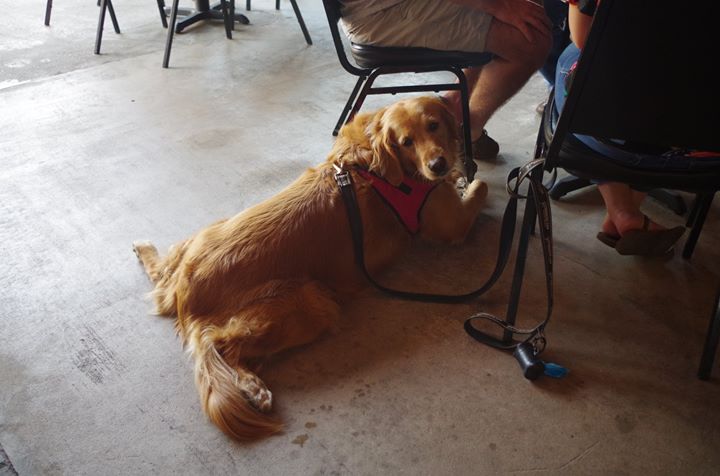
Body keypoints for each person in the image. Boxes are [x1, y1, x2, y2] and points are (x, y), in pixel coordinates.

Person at [339, 0, 553, 161]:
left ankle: (455, 108)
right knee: (531, 38)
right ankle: (464, 135)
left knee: (526, 9)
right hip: (378, 12)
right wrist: (501, 6)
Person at [555, 0, 685, 256]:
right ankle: (624, 221)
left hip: (603, 121)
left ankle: (623, 215)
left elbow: (583, 37)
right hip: (693, 140)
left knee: (577, 57)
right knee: (668, 80)